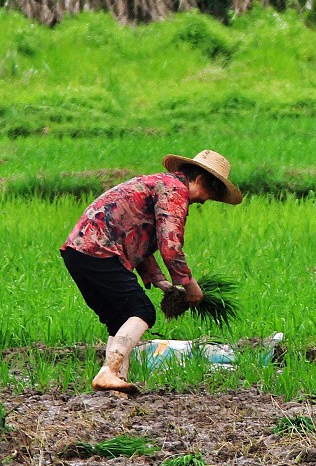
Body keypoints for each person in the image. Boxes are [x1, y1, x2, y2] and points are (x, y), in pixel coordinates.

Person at [61, 150, 242, 395]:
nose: (205, 200)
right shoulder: (175, 191)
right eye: (210, 192)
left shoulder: (159, 185)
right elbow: (171, 245)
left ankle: (116, 388)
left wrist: (161, 282)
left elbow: (139, 239)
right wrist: (190, 286)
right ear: (199, 179)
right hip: (100, 250)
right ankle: (108, 372)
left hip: (79, 252)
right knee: (141, 310)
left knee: (120, 318)